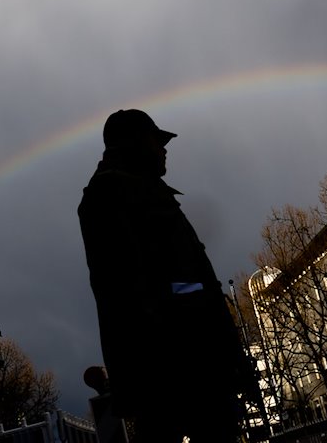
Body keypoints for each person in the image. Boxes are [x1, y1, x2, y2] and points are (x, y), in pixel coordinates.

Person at [78, 109, 245, 443]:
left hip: (184, 364)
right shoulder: (113, 193)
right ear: (135, 142)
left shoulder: (141, 189)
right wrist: (199, 293)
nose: (164, 148)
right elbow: (131, 288)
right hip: (177, 367)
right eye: (157, 140)